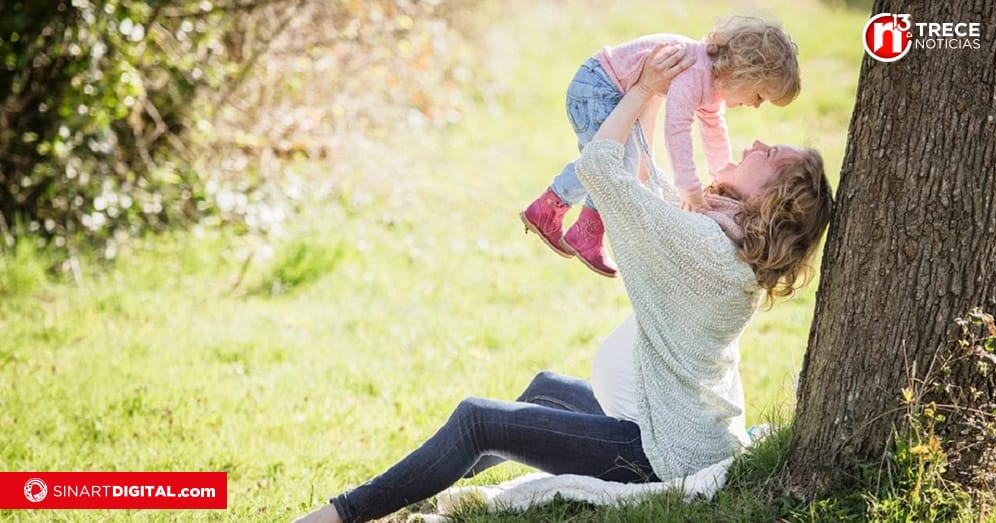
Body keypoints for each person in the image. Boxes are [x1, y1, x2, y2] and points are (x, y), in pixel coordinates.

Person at [296, 44, 833, 523]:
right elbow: (645, 182)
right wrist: (652, 92)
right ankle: (415, 490)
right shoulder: (721, 238)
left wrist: (641, 90)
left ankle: (340, 515)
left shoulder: (703, 247)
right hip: (665, 424)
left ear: (771, 198)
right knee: (544, 388)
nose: (756, 141)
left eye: (769, 155)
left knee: (478, 419)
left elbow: (602, 167)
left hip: (658, 454)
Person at [520, 16, 801, 278]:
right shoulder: (696, 71)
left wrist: (722, 176)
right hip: (597, 88)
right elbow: (677, 128)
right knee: (611, 161)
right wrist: (689, 186)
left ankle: (570, 221)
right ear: (745, 73)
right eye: (759, 96)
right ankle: (570, 220)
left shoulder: (711, 83)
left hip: (604, 89)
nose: (756, 106)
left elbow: (714, 131)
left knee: (614, 163)